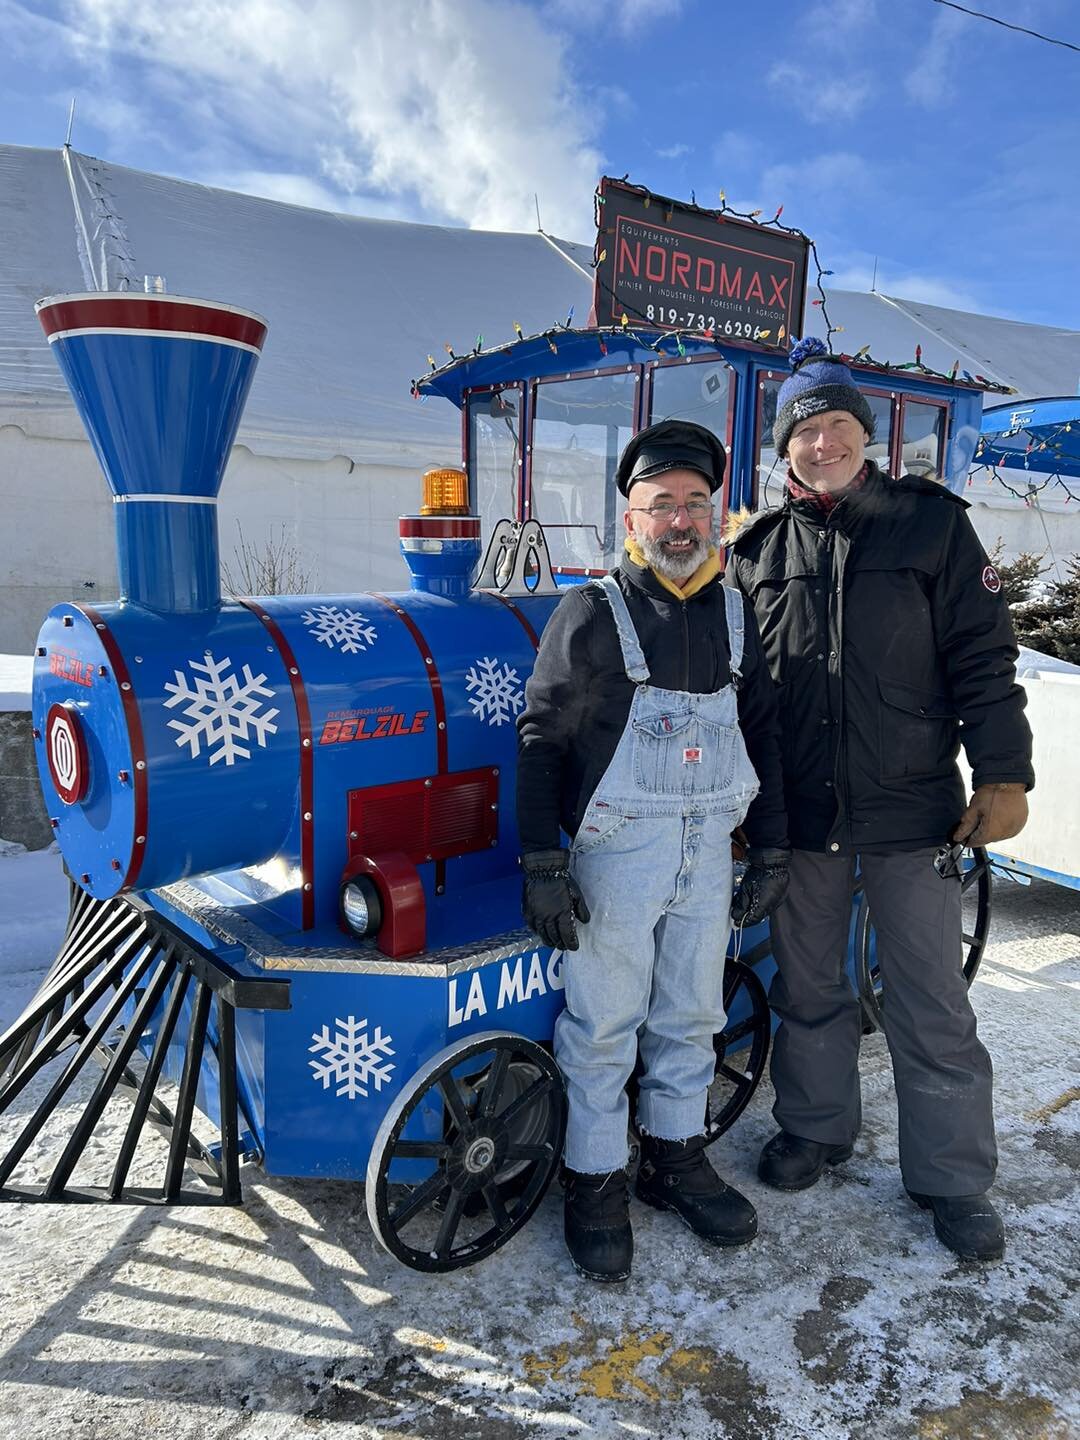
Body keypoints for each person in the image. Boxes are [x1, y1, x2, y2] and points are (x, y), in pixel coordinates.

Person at [724, 336, 1034, 1262]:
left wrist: (1006, 775)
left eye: (838, 428)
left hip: (913, 811)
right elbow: (741, 692)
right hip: (803, 816)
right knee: (810, 986)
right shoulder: (758, 552)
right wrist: (744, 807)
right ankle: (817, 1128)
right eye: (806, 431)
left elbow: (985, 659)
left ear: (866, 436)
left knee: (929, 998)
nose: (823, 444)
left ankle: (952, 1178)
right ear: (783, 448)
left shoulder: (930, 525)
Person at [516, 419, 790, 1282]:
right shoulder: (592, 613)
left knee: (691, 1013)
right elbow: (541, 739)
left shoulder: (736, 613)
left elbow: (764, 736)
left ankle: (674, 1156)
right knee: (603, 1022)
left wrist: (772, 849)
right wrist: (541, 863)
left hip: (711, 849)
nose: (680, 520)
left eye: (695, 504)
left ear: (716, 515)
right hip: (618, 853)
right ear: (629, 520)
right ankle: (594, 1175)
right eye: (661, 504)